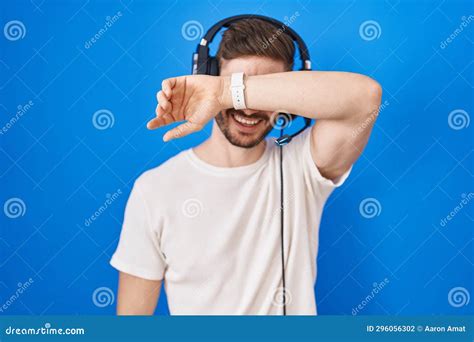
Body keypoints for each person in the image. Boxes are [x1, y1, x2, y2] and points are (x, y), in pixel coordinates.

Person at [110, 18, 382, 315]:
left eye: (261, 91)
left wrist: (227, 92)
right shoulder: (154, 189)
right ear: (208, 75)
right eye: (236, 85)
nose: (249, 107)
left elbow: (365, 97)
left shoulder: (303, 166)